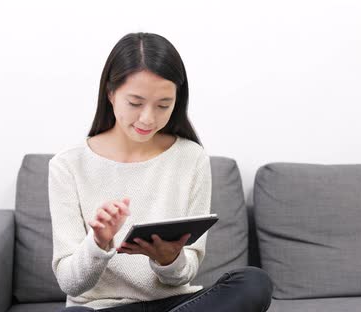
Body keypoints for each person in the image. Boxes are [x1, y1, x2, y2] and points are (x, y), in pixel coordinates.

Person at [48, 32, 273, 312]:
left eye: (163, 105)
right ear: (110, 94)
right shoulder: (68, 165)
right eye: (135, 103)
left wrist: (169, 259)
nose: (148, 118)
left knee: (253, 282)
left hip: (175, 304)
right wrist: (98, 243)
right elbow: (70, 284)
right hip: (101, 308)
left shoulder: (192, 157)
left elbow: (186, 273)